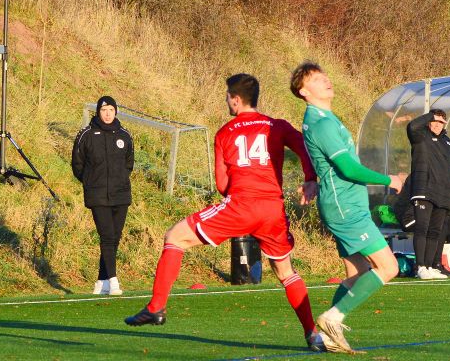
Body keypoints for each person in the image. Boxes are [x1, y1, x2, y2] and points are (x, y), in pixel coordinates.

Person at [124, 74, 323, 352]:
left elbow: (222, 185)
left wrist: (237, 200)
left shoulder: (225, 132)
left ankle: (156, 307)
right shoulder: (276, 126)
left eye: (228, 96)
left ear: (236, 99)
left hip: (241, 205)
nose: (227, 101)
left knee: (175, 237)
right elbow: (305, 147)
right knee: (286, 272)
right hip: (273, 210)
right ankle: (313, 335)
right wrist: (310, 178)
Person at [291, 61, 404, 354]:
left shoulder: (321, 119)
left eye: (325, 75)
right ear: (304, 91)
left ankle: (326, 336)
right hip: (346, 209)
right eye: (317, 79)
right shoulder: (322, 123)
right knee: (388, 267)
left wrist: (313, 180)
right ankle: (333, 317)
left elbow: (324, 162)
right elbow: (348, 168)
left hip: (343, 205)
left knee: (356, 273)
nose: (326, 80)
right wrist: (388, 179)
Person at [71, 96, 134, 296]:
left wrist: (120, 180)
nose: (107, 114)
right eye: (104, 110)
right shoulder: (86, 135)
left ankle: (101, 281)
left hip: (121, 194)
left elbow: (129, 164)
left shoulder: (124, 135)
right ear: (98, 111)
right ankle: (113, 281)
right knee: (107, 236)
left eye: (111, 110)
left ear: (116, 112)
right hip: (97, 195)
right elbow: (77, 164)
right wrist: (90, 182)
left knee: (114, 238)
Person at [406, 109, 450, 279]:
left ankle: (431, 266)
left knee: (435, 232)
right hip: (424, 190)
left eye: (441, 122)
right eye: (435, 121)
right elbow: (412, 126)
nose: (438, 125)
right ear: (429, 121)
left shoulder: (447, 142)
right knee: (422, 229)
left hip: (443, 193)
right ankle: (420, 267)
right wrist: (430, 115)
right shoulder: (420, 136)